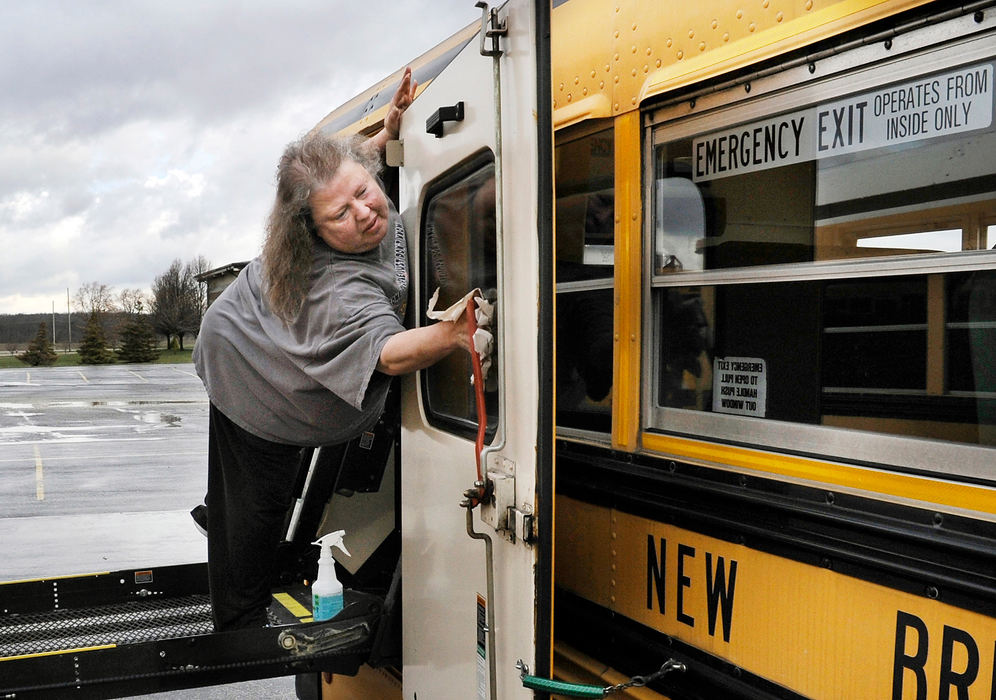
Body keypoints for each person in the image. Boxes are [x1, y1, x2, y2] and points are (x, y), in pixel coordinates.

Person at [192, 68, 475, 631]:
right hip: (242, 363)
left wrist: (392, 130)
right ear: (312, 232)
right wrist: (452, 333)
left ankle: (222, 507)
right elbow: (389, 354)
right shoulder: (335, 290)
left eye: (364, 193)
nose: (366, 213)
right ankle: (240, 620)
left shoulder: (348, 185)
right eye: (340, 216)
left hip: (268, 326)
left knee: (247, 491)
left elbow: (348, 167)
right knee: (256, 499)